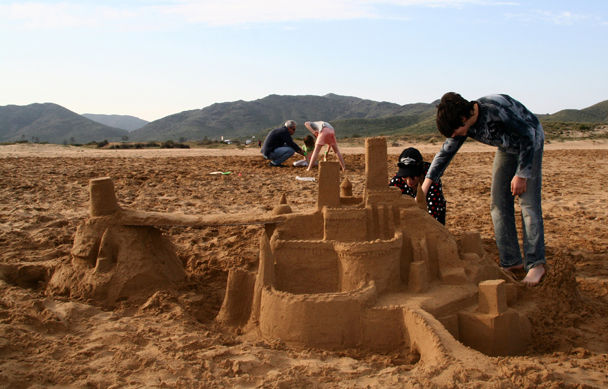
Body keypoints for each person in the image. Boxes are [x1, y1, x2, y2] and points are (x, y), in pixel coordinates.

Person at [421, 92, 546, 286]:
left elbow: (528, 134)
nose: (455, 136)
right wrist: (424, 188)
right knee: (498, 204)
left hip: (530, 143)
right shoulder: (464, 124)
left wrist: (522, 174)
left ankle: (536, 264)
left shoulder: (496, 110)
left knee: (528, 205)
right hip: (507, 149)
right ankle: (511, 262)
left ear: (463, 118)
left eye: (455, 131)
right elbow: (445, 153)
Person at [390, 147, 446, 225]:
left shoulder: (432, 179)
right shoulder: (397, 181)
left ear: (420, 172)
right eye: (405, 176)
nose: (409, 182)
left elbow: (433, 213)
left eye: (413, 176)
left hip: (433, 212)